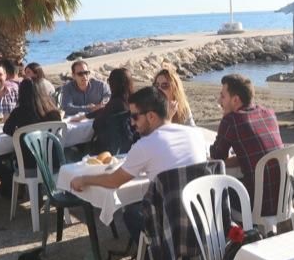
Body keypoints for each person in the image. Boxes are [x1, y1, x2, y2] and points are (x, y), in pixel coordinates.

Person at [70, 86, 206, 243]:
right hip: (202, 216)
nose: (132, 123)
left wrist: (84, 179)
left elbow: (114, 181)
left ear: (151, 116)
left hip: (169, 223)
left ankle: (153, 258)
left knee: (130, 213)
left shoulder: (145, 145)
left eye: (135, 117)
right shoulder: (195, 134)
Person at [210, 74, 283, 216]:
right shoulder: (269, 114)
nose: (219, 101)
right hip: (283, 198)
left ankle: (223, 235)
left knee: (213, 190)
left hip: (258, 204)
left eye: (223, 96)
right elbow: (258, 153)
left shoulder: (232, 120)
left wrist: (225, 117)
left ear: (235, 99)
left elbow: (217, 157)